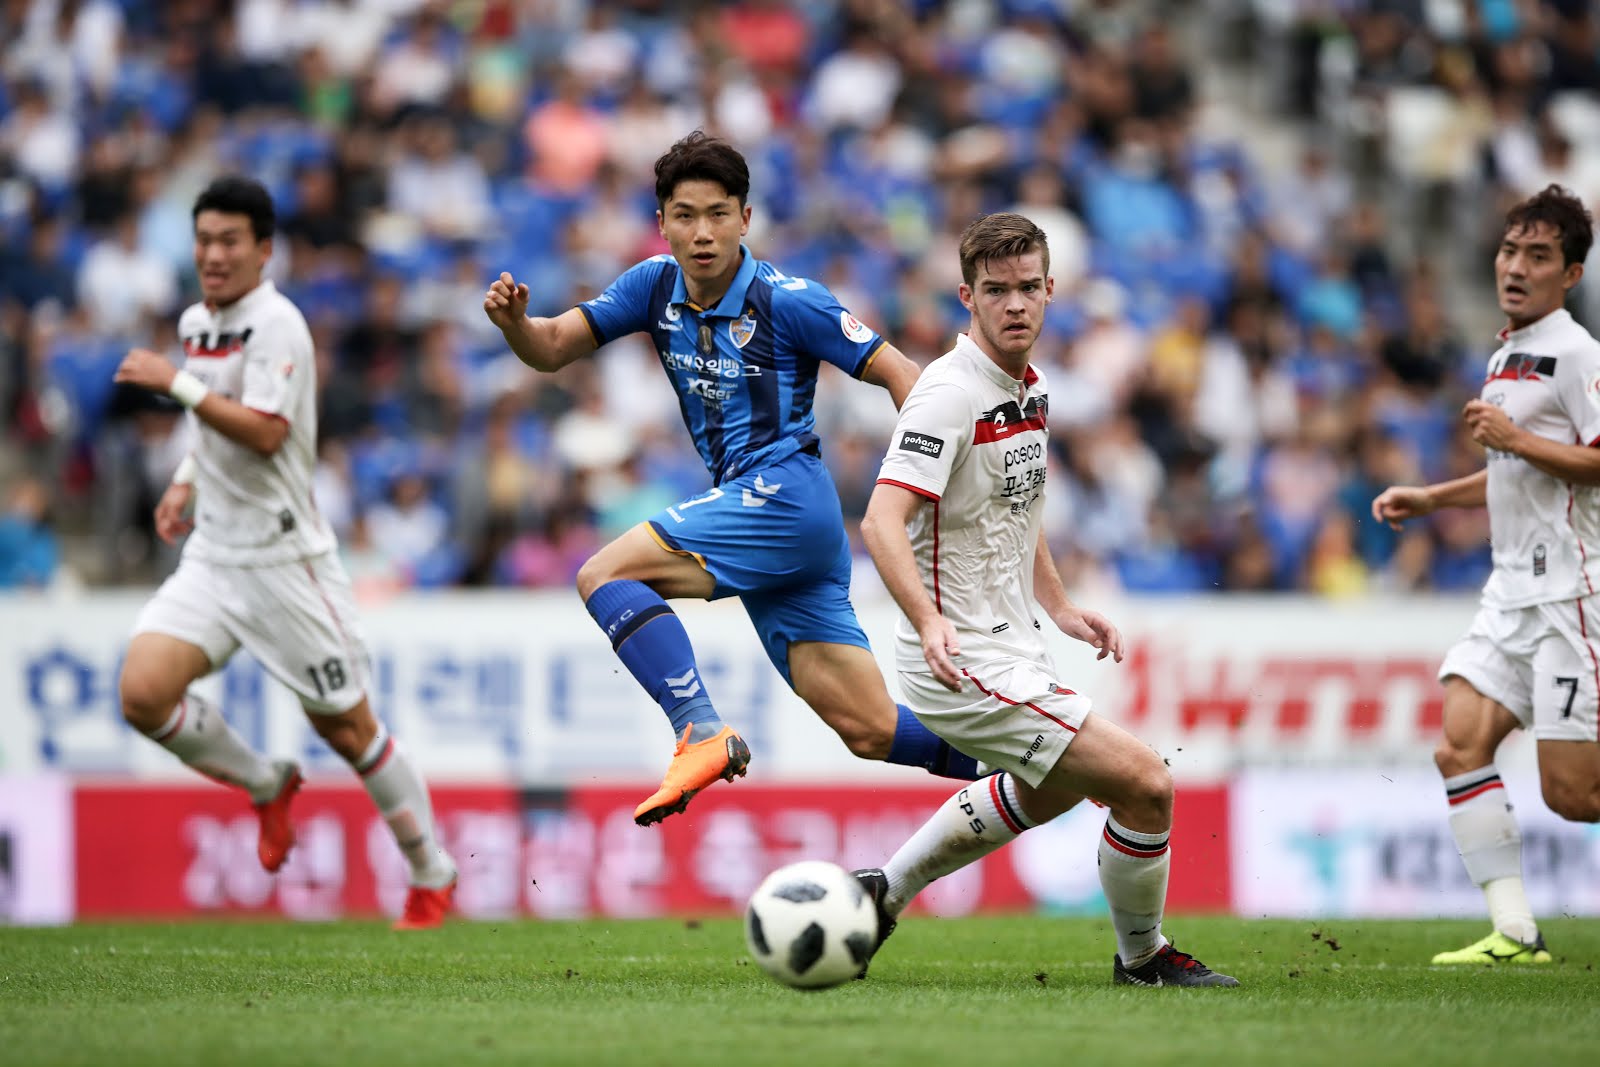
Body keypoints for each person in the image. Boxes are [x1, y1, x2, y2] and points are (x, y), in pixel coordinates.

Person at [483, 131, 981, 827]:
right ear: (662, 224)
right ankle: (1029, 762)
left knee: (603, 574)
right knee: (869, 728)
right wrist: (515, 325)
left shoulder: (790, 300)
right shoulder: (651, 285)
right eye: (684, 215)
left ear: (746, 217)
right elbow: (554, 346)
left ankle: (697, 728)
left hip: (786, 495)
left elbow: (903, 375)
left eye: (718, 213)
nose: (702, 232)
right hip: (774, 527)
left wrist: (925, 484)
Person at [852, 212, 1237, 987]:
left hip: (1015, 639)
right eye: (997, 291)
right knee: (1145, 783)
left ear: (1052, 288)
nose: (1016, 304)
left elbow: (1018, 505)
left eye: (1029, 287)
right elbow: (880, 520)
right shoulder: (946, 396)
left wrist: (1059, 606)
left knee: (1052, 785)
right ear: (967, 296)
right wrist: (928, 622)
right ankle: (1144, 957)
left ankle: (880, 895)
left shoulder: (1034, 386)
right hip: (960, 655)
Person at [113, 176, 457, 929]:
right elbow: (216, 428)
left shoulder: (280, 325)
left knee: (348, 728)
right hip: (214, 554)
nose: (213, 254)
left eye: (230, 240)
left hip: (284, 562)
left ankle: (432, 869)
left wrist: (173, 384)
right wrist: (184, 480)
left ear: (264, 249)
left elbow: (266, 430)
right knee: (142, 692)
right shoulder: (197, 321)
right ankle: (267, 782)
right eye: (204, 239)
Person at [1372, 184, 1600, 965]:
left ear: (1569, 274)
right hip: (1510, 592)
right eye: (1510, 250)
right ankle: (1516, 930)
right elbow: (1514, 470)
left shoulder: (1577, 354)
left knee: (1573, 797)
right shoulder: (1508, 350)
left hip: (1574, 593)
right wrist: (1433, 497)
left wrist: (1511, 435)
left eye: (1538, 256)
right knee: (1460, 746)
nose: (1515, 266)